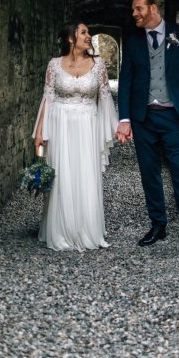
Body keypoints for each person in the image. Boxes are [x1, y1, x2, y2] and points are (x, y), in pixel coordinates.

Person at [116, 0, 179, 261]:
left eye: (138, 9)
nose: (134, 14)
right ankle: (158, 225)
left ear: (153, 8)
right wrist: (124, 119)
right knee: (150, 174)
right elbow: (125, 81)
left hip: (173, 118)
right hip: (143, 117)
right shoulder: (134, 40)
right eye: (133, 10)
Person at [33, 22, 118, 252]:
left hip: (87, 125)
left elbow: (105, 97)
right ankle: (62, 230)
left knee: (85, 174)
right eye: (83, 32)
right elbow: (47, 98)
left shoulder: (98, 65)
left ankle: (86, 229)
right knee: (61, 175)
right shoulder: (54, 65)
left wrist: (114, 128)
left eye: (87, 32)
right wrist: (40, 132)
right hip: (60, 124)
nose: (88, 36)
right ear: (71, 38)